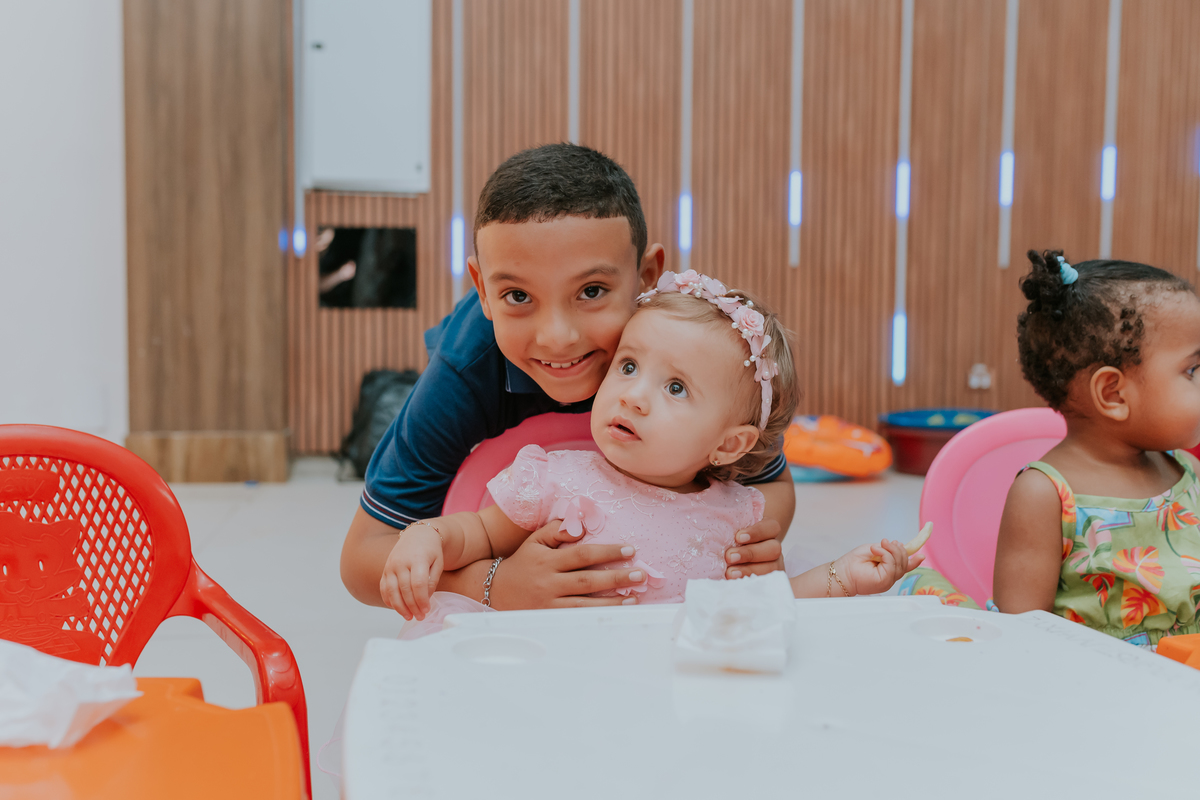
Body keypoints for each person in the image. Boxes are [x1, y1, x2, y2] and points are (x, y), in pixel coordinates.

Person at [340, 144, 794, 612]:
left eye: (591, 291)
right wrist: (492, 583)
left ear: (646, 277)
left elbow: (772, 485)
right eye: (517, 295)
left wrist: (744, 547)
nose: (557, 338)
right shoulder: (465, 373)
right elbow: (363, 556)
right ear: (482, 291)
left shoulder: (687, 347)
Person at [383, 271, 921, 620]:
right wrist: (426, 538)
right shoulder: (556, 479)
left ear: (730, 444)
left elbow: (763, 608)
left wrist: (842, 577)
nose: (634, 397)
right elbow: (473, 532)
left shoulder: (735, 516)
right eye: (630, 366)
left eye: (676, 388)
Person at [904, 249, 1200, 648]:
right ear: (1113, 393)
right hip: (1091, 691)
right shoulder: (1045, 495)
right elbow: (1023, 637)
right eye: (1192, 371)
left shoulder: (1186, 470)